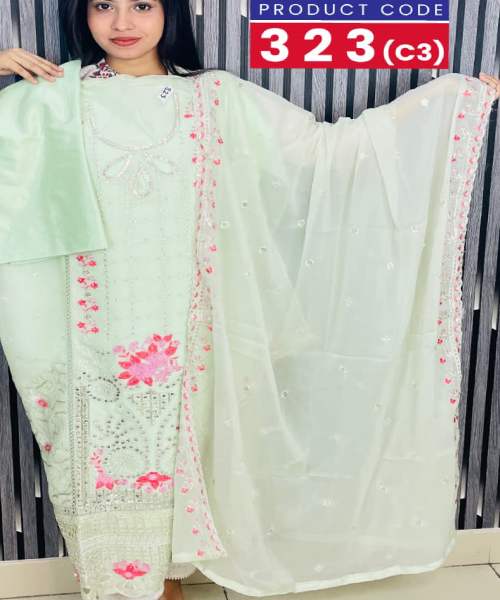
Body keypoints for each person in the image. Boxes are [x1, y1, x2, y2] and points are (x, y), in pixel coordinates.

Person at [0, 2, 498, 600]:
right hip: (90, 322)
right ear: (82, 15)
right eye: (103, 5)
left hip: (191, 320)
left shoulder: (215, 98)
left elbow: (324, 150)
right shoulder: (51, 101)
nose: (122, 23)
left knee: (191, 444)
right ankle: (123, 582)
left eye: (142, 5)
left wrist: (452, 104)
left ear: (169, 12)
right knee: (100, 446)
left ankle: (166, 577)